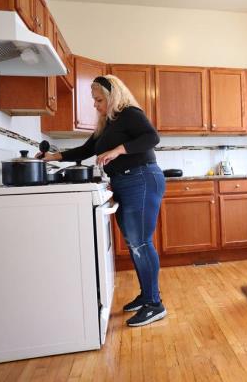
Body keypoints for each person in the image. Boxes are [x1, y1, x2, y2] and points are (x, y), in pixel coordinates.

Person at [39, 75, 166, 327]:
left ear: (112, 96)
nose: (95, 105)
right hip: (124, 182)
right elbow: (86, 150)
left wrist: (119, 150)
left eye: (99, 99)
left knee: (140, 242)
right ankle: (146, 295)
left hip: (141, 179)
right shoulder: (107, 125)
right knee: (134, 243)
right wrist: (52, 155)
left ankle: (155, 304)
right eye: (94, 100)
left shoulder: (129, 113)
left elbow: (152, 138)